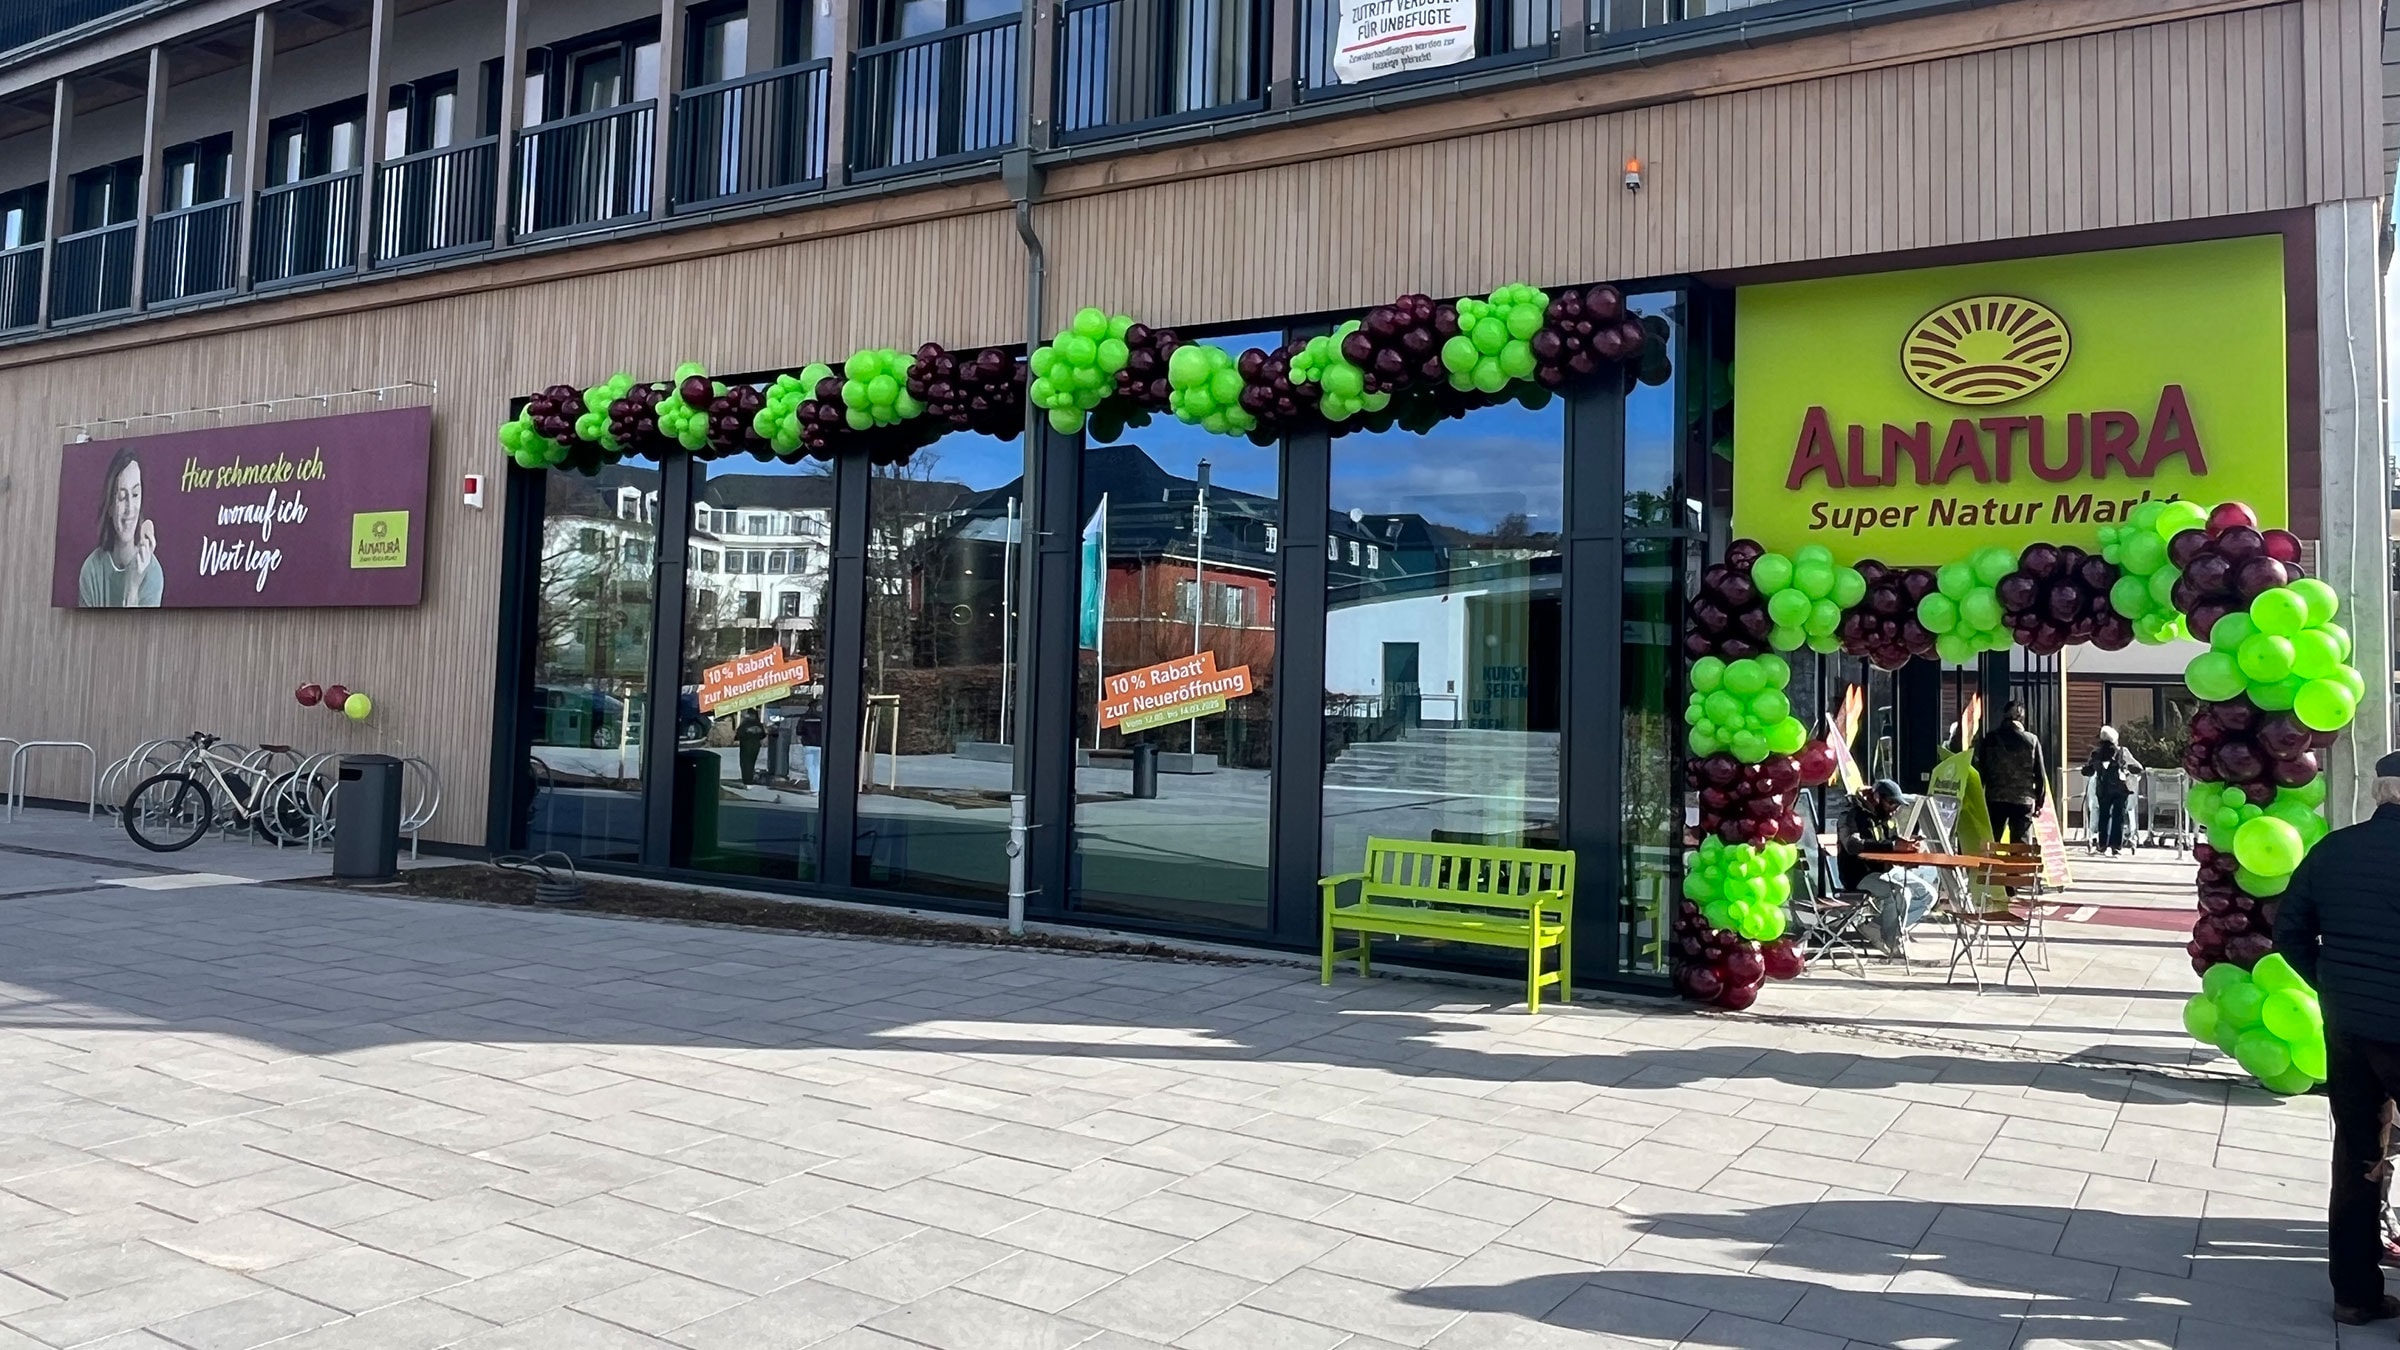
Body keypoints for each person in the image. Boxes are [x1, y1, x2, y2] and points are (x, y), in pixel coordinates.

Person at [2272, 751, 2400, 1327]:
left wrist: (2331, 984)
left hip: (2349, 1026)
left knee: (2356, 1156)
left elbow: (2289, 932)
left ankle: (2354, 1293)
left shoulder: (2332, 851)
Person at [1837, 779, 1937, 956]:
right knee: (1900, 893)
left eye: (1898, 804)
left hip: (1886, 870)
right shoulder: (1852, 814)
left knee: (1928, 894)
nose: (1895, 808)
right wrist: (1892, 847)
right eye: (1891, 802)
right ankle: (1893, 943)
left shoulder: (1887, 818)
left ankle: (1876, 926)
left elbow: (1891, 841)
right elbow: (1853, 845)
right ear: (1876, 797)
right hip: (1859, 874)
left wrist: (1907, 848)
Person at [77, 445, 162, 608]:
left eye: (135, 495)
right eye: (122, 497)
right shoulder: (91, 570)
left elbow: (140, 632)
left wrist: (133, 586)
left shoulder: (153, 573)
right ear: (109, 506)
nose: (130, 509)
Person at [1974, 701, 2049, 843]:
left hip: (1995, 798)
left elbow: (1981, 770)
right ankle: (2017, 864)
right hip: (2023, 801)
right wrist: (2039, 802)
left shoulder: (1990, 739)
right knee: (2021, 846)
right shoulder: (2031, 740)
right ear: (2022, 718)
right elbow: (2040, 774)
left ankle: (1992, 865)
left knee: (1992, 841)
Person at [2081, 726, 2143, 856]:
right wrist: (2128, 770)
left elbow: (2088, 771)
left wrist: (2090, 768)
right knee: (2118, 817)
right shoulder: (2122, 752)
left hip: (2103, 789)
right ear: (2115, 739)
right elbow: (2138, 767)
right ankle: (2116, 847)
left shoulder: (2096, 753)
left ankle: (2102, 845)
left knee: (2104, 816)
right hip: (2120, 789)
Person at [735, 710, 766, 785]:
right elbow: (763, 735)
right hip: (755, 746)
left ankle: (746, 779)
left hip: (746, 746)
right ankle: (750, 778)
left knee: (745, 763)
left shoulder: (745, 724)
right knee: (752, 763)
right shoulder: (758, 724)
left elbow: (738, 735)